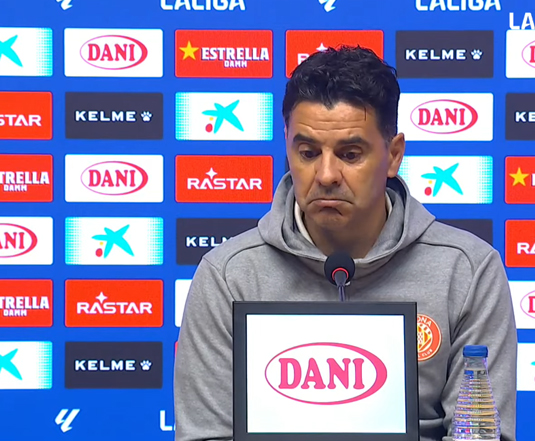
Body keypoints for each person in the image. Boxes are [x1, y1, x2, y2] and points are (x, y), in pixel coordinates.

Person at [174, 46, 517, 441]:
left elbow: (481, 436)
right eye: (307, 153)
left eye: (350, 154)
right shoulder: (229, 276)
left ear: (393, 155)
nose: (326, 175)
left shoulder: (467, 270)